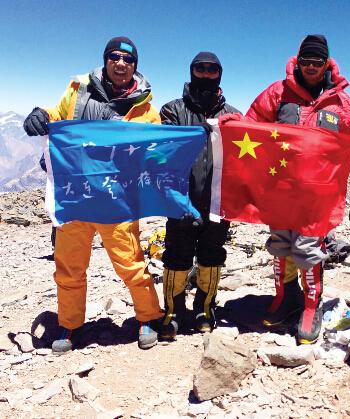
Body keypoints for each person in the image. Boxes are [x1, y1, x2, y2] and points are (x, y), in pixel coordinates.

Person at [23, 36, 163, 353]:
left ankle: (148, 318)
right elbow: (56, 115)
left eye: (129, 60)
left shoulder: (144, 109)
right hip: (76, 194)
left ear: (135, 67)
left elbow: (156, 151)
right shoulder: (77, 91)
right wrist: (40, 114)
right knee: (69, 264)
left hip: (117, 199)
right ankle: (70, 325)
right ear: (105, 60)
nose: (121, 64)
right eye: (115, 57)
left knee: (130, 263)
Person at [244, 35, 350, 344]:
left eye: (316, 62)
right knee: (280, 244)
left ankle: (311, 305)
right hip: (280, 187)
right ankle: (285, 296)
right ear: (298, 60)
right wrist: (231, 125)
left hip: (317, 194)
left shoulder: (340, 102)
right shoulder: (278, 93)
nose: (310, 67)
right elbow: (250, 124)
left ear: (326, 64)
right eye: (305, 60)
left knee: (307, 248)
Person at [158, 52, 240, 338]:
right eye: (200, 69)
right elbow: (164, 146)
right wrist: (196, 132)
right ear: (191, 71)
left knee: (212, 256)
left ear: (220, 74)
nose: (205, 74)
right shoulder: (172, 110)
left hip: (218, 201)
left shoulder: (234, 117)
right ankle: (173, 311)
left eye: (212, 70)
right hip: (181, 199)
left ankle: (205, 308)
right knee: (176, 256)